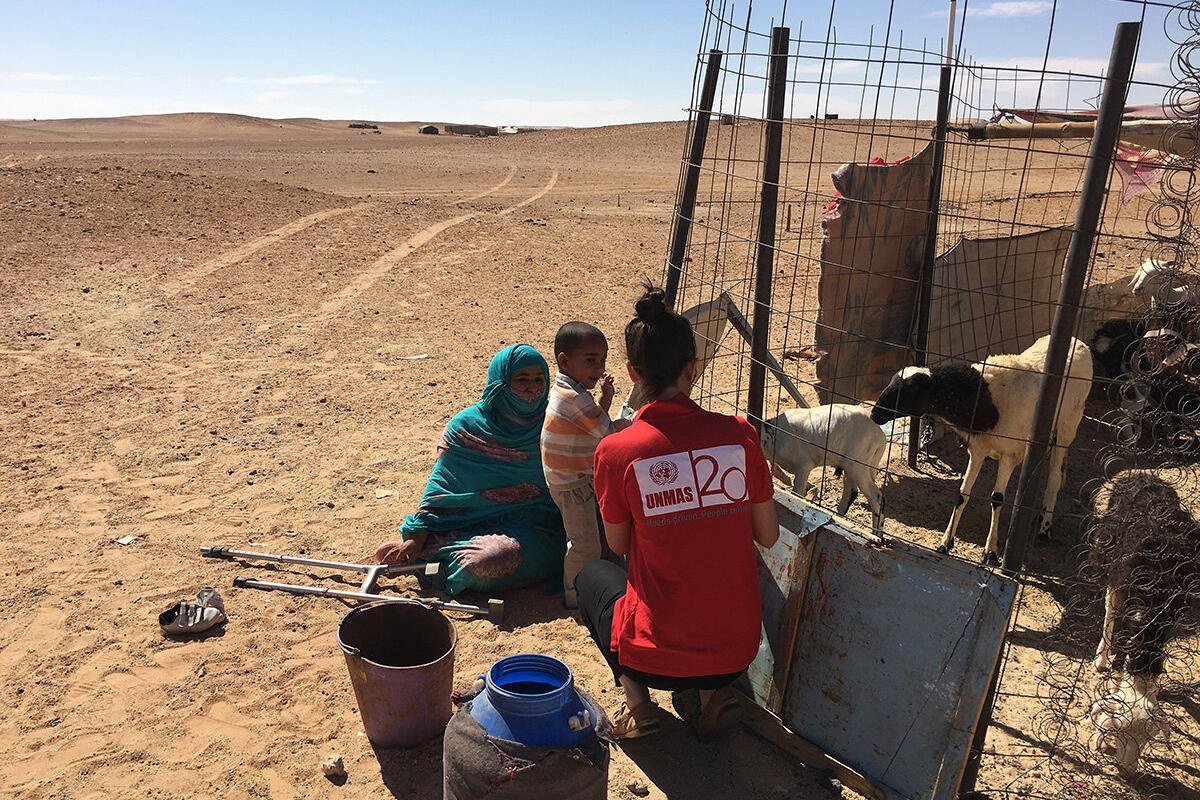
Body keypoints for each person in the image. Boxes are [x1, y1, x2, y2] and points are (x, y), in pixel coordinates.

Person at [577, 285, 779, 741]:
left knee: (592, 577)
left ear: (633, 372)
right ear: (693, 367)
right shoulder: (739, 436)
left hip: (654, 656)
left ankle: (639, 705)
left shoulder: (617, 451)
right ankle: (713, 698)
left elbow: (619, 545)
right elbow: (768, 536)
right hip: (736, 653)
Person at [374, 344, 566, 595]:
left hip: (538, 528)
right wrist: (415, 537)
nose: (532, 387)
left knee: (489, 560)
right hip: (467, 522)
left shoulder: (555, 423)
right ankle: (426, 551)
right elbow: (442, 488)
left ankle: (434, 560)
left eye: (539, 379)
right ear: (500, 382)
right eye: (522, 379)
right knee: (480, 558)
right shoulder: (467, 428)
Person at [540, 321, 630, 608]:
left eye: (603, 359)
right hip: (572, 483)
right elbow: (608, 432)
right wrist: (635, 423)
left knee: (596, 536)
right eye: (590, 360)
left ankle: (599, 583)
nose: (599, 368)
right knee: (585, 544)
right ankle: (576, 596)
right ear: (564, 361)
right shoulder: (574, 398)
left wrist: (605, 399)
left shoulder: (568, 390)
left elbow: (591, 425)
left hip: (569, 476)